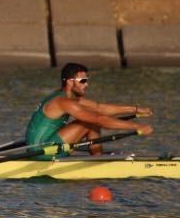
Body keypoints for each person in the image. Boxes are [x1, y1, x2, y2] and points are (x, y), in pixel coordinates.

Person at [25, 62, 153, 155]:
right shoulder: (64, 102)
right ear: (70, 82)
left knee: (93, 116)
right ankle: (97, 157)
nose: (86, 84)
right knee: (91, 120)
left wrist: (135, 109)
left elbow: (99, 108)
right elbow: (99, 119)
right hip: (41, 151)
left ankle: (97, 155)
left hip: (43, 145)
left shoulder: (70, 98)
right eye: (82, 81)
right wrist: (136, 127)